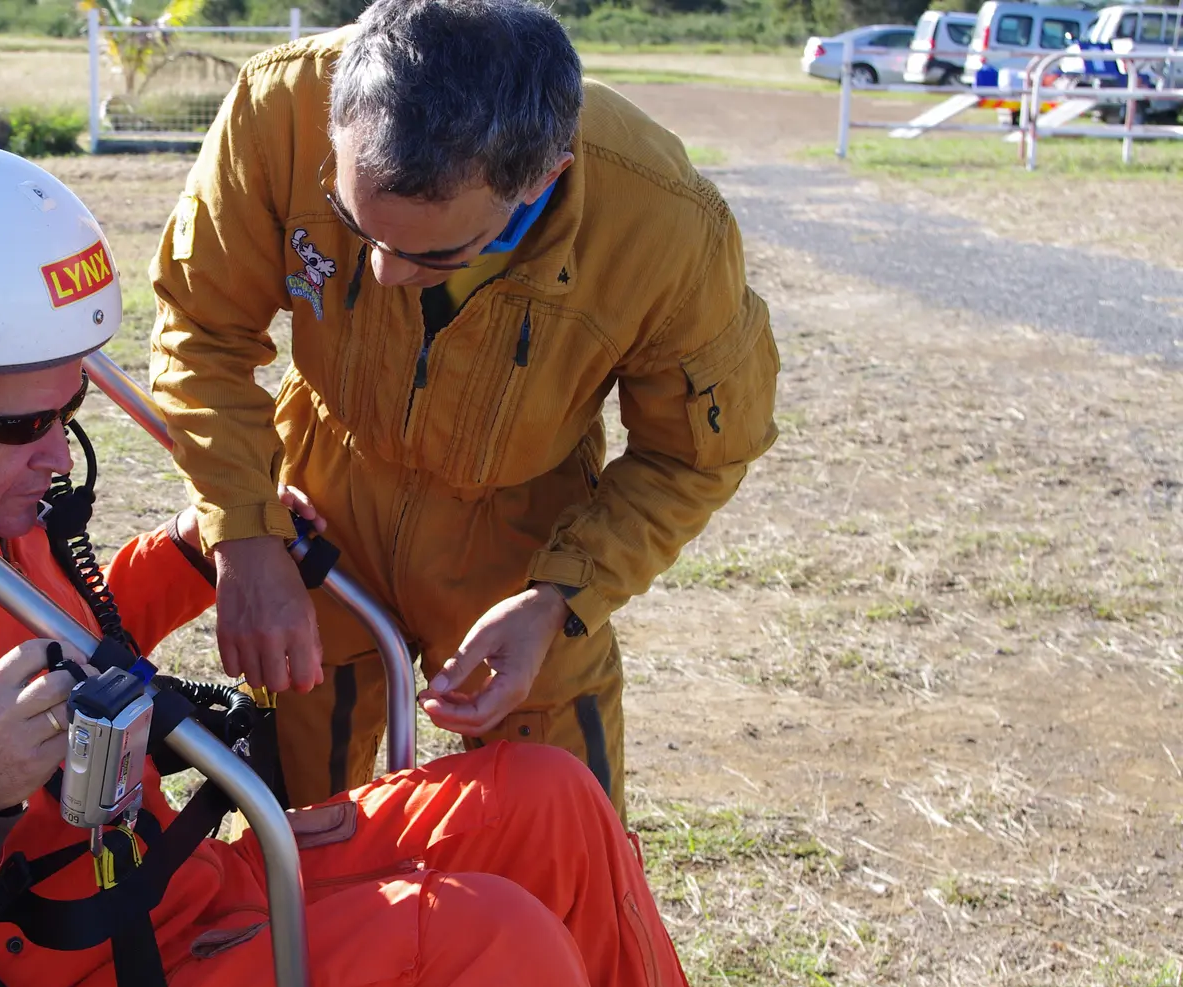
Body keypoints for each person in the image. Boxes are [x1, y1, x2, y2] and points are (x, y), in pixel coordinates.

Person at [0, 143, 718, 987]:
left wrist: (198, 556)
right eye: (22, 425)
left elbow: (79, 635)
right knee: (483, 949)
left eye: (66, 415)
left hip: (178, 898)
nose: (58, 458)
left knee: (548, 804)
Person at [149, 0, 782, 812]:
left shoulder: (666, 226)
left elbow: (696, 453)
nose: (381, 274)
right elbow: (200, 327)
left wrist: (560, 599)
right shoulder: (281, 107)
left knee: (559, 835)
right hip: (322, 500)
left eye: (435, 253)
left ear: (541, 179)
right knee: (298, 811)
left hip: (525, 530)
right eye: (354, 226)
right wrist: (244, 531)